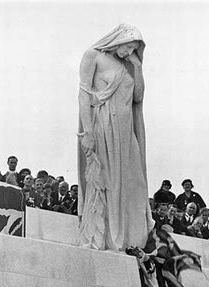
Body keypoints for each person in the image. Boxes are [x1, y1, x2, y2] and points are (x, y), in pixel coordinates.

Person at [77, 23, 154, 251]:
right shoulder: (93, 55)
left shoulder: (129, 66)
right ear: (118, 40)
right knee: (107, 181)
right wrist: (88, 131)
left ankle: (131, 237)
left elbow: (138, 97)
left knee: (134, 183)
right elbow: (83, 94)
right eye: (128, 47)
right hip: (103, 125)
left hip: (125, 131)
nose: (128, 52)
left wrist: (137, 68)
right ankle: (106, 237)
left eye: (133, 49)